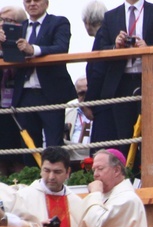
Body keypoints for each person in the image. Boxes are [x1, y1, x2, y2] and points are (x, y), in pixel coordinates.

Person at [85, 0, 153, 161]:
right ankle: (127, 175)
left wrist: (149, 47)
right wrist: (115, 47)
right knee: (123, 136)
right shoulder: (110, 16)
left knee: (151, 134)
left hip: (149, 81)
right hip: (120, 84)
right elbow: (100, 51)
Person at [11, 0, 76, 162]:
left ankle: (56, 181)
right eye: (28, 1)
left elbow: (61, 47)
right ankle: (32, 181)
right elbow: (9, 56)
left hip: (50, 94)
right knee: (29, 146)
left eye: (37, 0)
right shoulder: (19, 27)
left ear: (46, 3)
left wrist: (33, 50)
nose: (32, 4)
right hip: (24, 94)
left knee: (54, 144)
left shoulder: (59, 22)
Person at [0, 6, 27, 176]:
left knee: (20, 157)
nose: (4, 25)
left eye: (9, 21)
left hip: (20, 106)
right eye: (1, 20)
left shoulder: (26, 41)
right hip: (1, 107)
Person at [64, 77, 92, 161]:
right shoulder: (68, 110)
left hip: (94, 150)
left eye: (87, 93)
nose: (85, 97)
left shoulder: (102, 111)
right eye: (81, 93)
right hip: (72, 153)